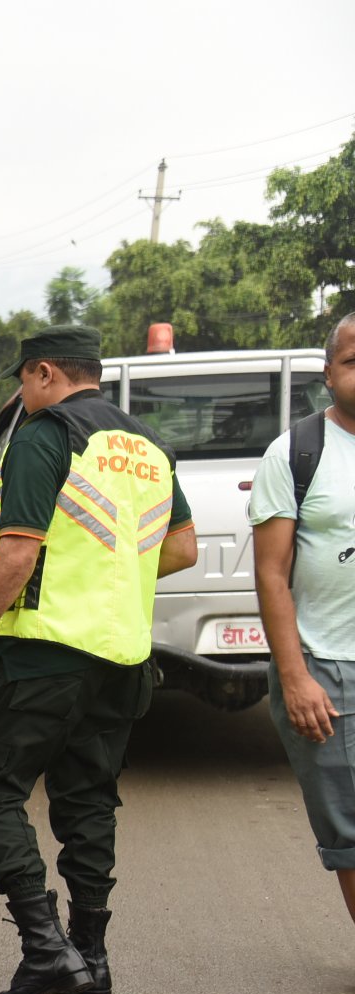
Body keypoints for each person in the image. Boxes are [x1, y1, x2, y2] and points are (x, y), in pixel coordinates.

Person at [0, 325, 198, 994]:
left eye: (24, 381)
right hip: (122, 658)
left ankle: (48, 949)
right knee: (87, 801)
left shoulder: (47, 434)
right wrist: (111, 571)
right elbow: (183, 548)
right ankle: (93, 959)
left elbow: (18, 550)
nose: (23, 395)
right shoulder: (148, 446)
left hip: (44, 652)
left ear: (45, 372)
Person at [250, 312, 355, 928]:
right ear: (328, 374)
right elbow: (270, 573)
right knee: (348, 828)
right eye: (352, 361)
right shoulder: (294, 452)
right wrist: (295, 677)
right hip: (328, 671)